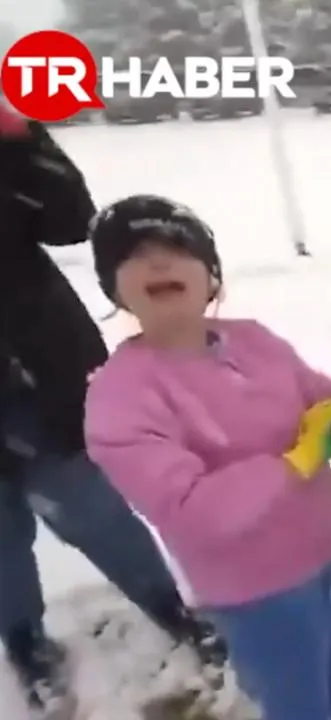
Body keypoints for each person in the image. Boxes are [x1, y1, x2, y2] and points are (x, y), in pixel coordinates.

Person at [82, 195, 331, 720]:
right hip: (258, 590)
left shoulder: (252, 339)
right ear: (112, 284)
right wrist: (296, 461)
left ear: (211, 274)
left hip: (324, 554)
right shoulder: (119, 399)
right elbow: (195, 512)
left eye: (177, 248)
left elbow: (312, 390)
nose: (159, 262)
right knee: (296, 705)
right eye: (135, 253)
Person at [0, 111, 220, 710]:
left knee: (91, 509)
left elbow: (71, 220)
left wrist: (22, 139)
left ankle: (168, 606)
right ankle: (25, 643)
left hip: (38, 381)